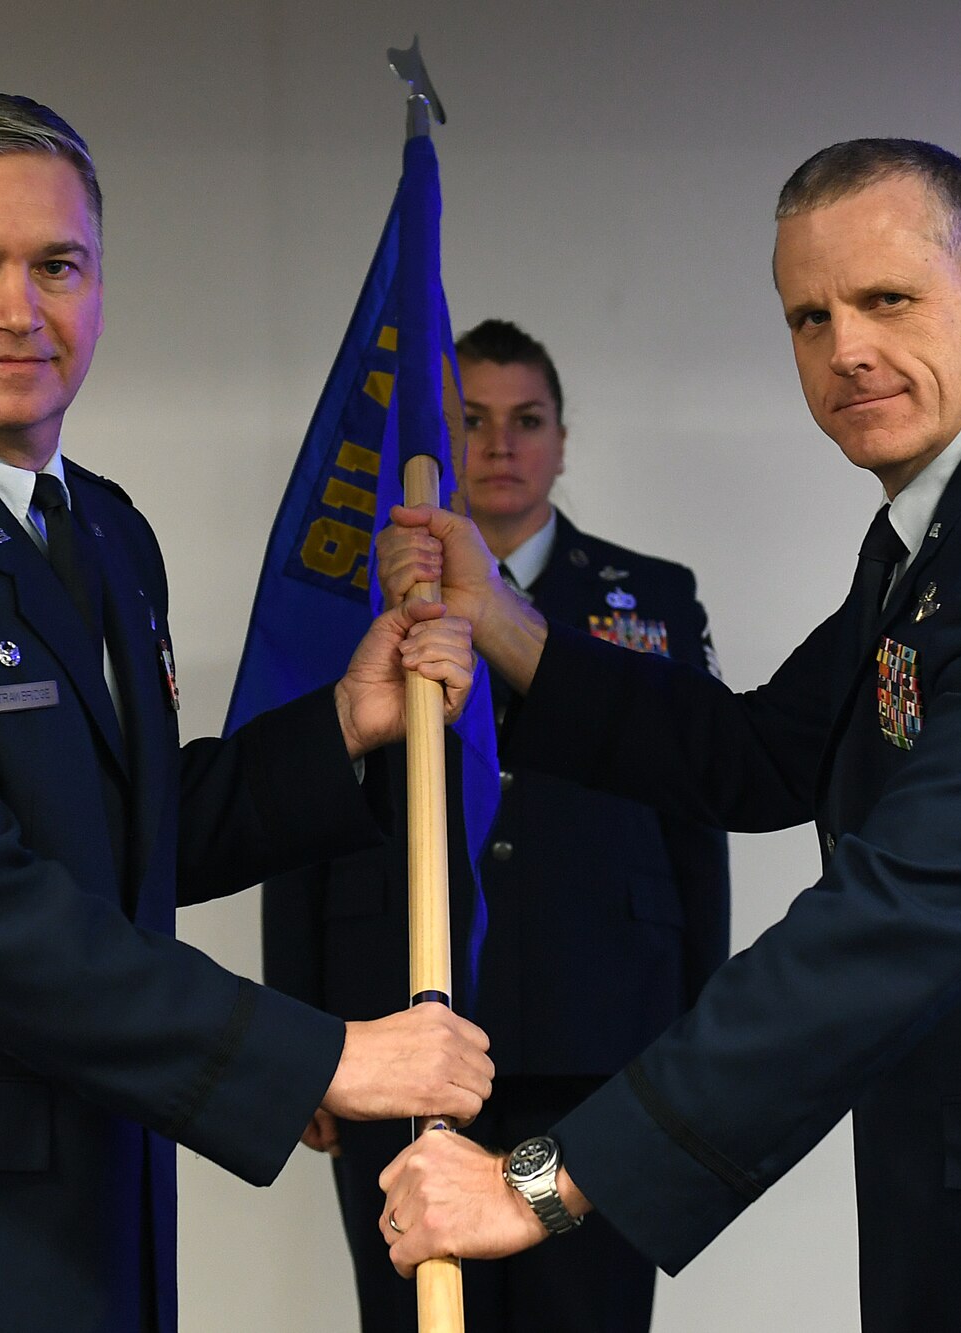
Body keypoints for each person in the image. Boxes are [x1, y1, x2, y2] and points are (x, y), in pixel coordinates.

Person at [375, 140, 961, 1331]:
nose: (844, 350)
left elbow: (892, 917)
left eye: (886, 300)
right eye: (808, 317)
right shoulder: (951, 524)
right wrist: (502, 621)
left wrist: (550, 1177)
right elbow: (760, 751)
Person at [0, 92, 496, 1333]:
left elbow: (114, 837)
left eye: (58, 264)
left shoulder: (106, 530)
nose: (21, 307)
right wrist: (315, 1057)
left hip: (84, 1209)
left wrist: (339, 722)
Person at [261, 320, 729, 1331]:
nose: (499, 445)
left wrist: (700, 1023)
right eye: (469, 421)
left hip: (601, 1019)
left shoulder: (649, 596)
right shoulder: (355, 598)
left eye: (526, 420)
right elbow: (297, 807)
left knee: (586, 1311)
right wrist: (297, 1029)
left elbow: (696, 815)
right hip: (396, 1019)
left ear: (562, 440)